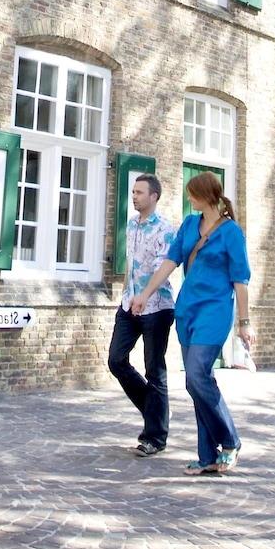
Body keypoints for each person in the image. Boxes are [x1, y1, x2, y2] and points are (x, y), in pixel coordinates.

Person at [130, 170, 252, 475]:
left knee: (197, 376)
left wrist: (244, 322)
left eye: (192, 194)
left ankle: (231, 441)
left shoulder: (231, 233)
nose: (189, 199)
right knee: (197, 382)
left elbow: (240, 281)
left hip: (214, 311)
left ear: (206, 196)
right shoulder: (188, 225)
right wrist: (145, 294)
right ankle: (207, 456)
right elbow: (169, 263)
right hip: (187, 311)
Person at [110, 172, 177, 457]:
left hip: (156, 307)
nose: (134, 197)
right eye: (133, 192)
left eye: (139, 192)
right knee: (116, 360)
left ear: (154, 196)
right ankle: (155, 411)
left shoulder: (165, 229)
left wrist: (145, 295)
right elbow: (131, 264)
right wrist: (127, 293)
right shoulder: (131, 225)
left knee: (154, 371)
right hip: (129, 304)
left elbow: (164, 269)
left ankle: (155, 438)